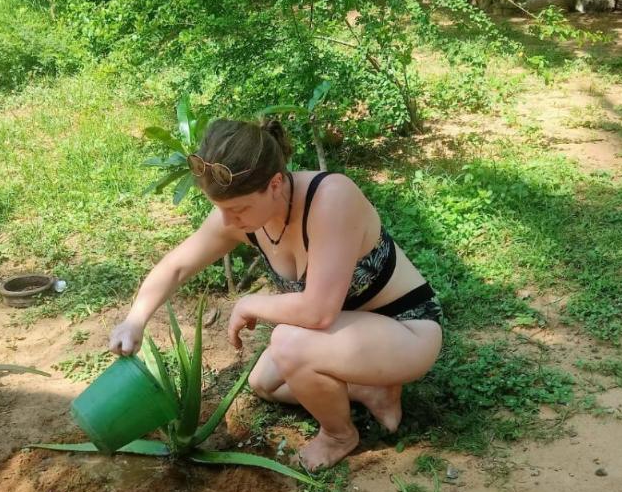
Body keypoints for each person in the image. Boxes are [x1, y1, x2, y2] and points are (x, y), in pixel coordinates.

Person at [108, 118, 443, 471]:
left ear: (276, 183)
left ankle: (339, 435)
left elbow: (318, 313)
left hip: (406, 331)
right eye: (220, 208)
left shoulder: (330, 198)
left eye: (237, 210)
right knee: (263, 383)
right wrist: (135, 319)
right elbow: (177, 266)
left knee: (287, 345)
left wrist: (250, 303)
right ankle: (370, 389)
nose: (226, 222)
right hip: (347, 335)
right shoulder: (240, 216)